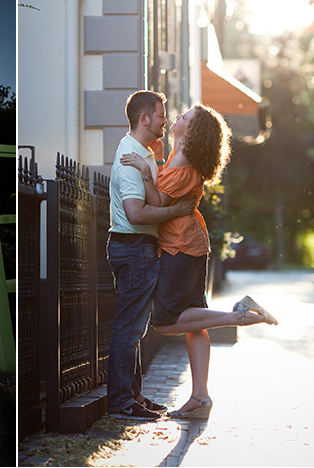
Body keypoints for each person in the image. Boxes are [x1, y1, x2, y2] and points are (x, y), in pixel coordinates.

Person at [120, 102, 278, 421]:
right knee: (197, 323)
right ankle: (200, 399)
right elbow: (170, 185)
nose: (177, 117)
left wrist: (142, 168)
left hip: (179, 248)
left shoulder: (183, 160)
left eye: (185, 118)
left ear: (192, 132)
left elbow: (158, 201)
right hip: (193, 245)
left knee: (165, 323)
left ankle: (238, 316)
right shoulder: (185, 157)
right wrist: (156, 159)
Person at [107, 90, 195, 422]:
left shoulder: (140, 154)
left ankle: (133, 397)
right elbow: (136, 213)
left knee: (134, 328)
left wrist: (150, 169)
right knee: (129, 328)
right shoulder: (130, 156)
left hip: (137, 249)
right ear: (144, 119)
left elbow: (152, 200)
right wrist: (178, 210)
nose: (165, 119)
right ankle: (120, 403)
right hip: (133, 247)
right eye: (161, 114)